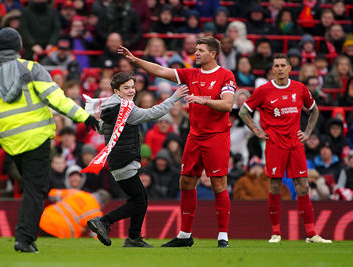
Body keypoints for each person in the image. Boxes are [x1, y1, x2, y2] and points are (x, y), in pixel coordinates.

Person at [0, 28, 100, 253]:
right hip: (36, 139)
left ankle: (26, 237)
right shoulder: (32, 69)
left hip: (11, 144)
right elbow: (57, 100)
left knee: (34, 188)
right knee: (36, 189)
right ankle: (24, 239)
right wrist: (84, 116)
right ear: (20, 47)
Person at [118, 36, 236, 248]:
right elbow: (160, 70)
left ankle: (223, 237)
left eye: (201, 50)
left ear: (213, 54)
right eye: (196, 49)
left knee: (218, 184)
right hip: (194, 136)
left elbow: (228, 105)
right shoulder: (191, 74)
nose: (196, 52)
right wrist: (135, 60)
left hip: (217, 136)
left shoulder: (225, 76)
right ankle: (184, 235)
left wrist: (204, 100)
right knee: (186, 182)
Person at [86, 72, 189, 248]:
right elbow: (152, 114)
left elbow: (102, 129)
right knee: (139, 200)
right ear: (116, 91)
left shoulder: (111, 105)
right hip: (124, 159)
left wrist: (90, 119)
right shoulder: (124, 108)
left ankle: (133, 237)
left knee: (138, 199)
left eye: (133, 87)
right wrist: (174, 98)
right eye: (126, 87)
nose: (131, 90)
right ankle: (104, 222)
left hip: (118, 159)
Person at [238, 54, 332, 244]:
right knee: (274, 186)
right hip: (274, 145)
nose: (280, 69)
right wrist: (256, 130)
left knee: (303, 186)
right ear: (273, 69)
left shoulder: (299, 88)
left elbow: (314, 110)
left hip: (295, 144)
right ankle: (276, 233)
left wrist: (307, 132)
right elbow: (243, 111)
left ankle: (311, 234)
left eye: (283, 65)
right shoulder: (263, 91)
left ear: (290, 68)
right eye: (277, 66)